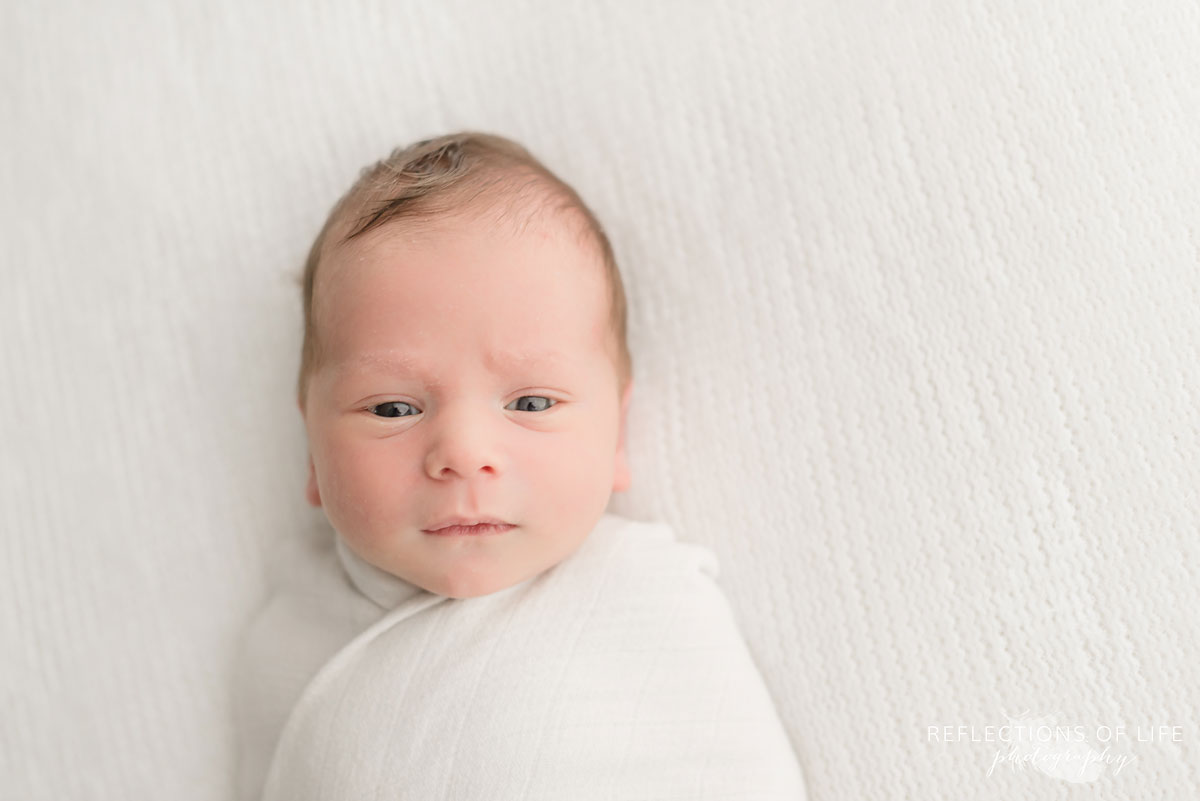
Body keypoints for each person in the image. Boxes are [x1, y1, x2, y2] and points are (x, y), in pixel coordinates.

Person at [234, 132, 807, 800]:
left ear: (614, 435)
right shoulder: (289, 630)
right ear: (312, 449)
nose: (464, 452)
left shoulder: (647, 601)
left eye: (531, 401)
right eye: (392, 408)